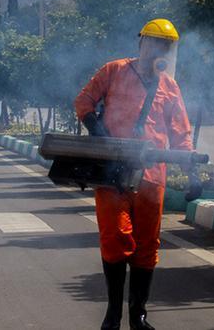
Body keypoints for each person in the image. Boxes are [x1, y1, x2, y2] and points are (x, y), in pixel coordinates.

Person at [74, 19, 199, 330]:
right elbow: (84, 102)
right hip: (113, 174)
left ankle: (138, 315)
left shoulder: (170, 86)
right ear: (141, 41)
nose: (160, 49)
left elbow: (181, 134)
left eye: (166, 45)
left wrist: (192, 172)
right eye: (154, 41)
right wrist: (102, 136)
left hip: (152, 176)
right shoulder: (114, 70)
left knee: (147, 245)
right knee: (115, 237)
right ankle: (113, 313)